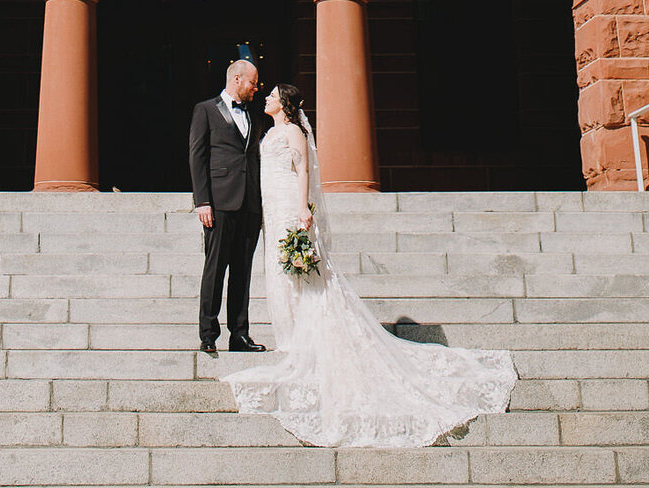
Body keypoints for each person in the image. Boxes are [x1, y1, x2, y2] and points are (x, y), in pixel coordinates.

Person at [219, 84, 516, 448]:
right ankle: (291, 335)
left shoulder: (294, 131)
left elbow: (304, 173)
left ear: (285, 103)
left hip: (289, 207)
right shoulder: (270, 132)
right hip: (271, 208)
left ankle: (303, 338)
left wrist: (302, 210)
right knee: (280, 272)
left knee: (300, 274)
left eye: (273, 95)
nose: (266, 98)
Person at [188, 59, 268, 358]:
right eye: (253, 83)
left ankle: (240, 334)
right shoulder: (205, 110)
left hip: (249, 204)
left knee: (242, 272)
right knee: (215, 269)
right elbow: (197, 157)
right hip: (219, 203)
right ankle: (208, 333)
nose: (256, 88)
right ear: (237, 78)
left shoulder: (256, 115)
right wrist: (202, 201)